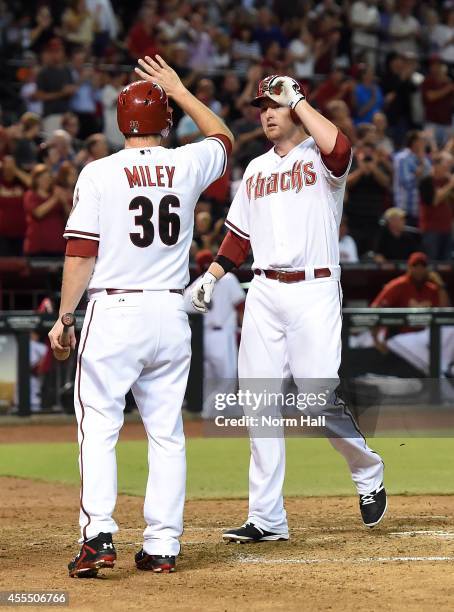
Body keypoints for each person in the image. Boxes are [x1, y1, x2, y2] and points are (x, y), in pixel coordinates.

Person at [48, 55, 233, 576]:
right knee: (167, 432)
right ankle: (163, 545)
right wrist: (179, 88)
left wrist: (65, 315)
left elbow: (81, 251)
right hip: (171, 310)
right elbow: (223, 137)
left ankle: (99, 535)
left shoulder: (100, 172)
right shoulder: (185, 163)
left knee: (100, 426)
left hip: (116, 308)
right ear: (166, 120)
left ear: (118, 121)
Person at [191, 74, 386, 544]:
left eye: (274, 105)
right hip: (264, 291)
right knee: (260, 404)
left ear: (295, 108)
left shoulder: (319, 159)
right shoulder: (255, 169)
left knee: (316, 399)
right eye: (263, 106)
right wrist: (211, 277)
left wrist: (297, 100)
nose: (267, 113)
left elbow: (341, 149)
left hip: (314, 288)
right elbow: (238, 236)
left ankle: (368, 471)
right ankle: (267, 517)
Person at [184, 250, 245, 418]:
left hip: (202, 338)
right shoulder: (227, 279)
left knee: (209, 379)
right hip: (222, 335)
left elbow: (183, 313)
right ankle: (212, 411)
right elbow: (240, 307)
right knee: (229, 377)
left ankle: (212, 412)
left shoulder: (194, 286)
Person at [371, 251, 452, 374]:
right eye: (415, 266)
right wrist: (376, 340)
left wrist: (440, 286)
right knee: (435, 368)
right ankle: (444, 370)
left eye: (422, 266)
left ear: (427, 269)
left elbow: (444, 312)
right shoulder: (398, 285)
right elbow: (375, 309)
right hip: (402, 338)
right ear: (409, 267)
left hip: (425, 337)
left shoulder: (432, 288)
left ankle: (445, 368)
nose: (419, 270)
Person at [23, 164, 70, 257]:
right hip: (36, 246)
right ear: (36, 179)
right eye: (43, 178)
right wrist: (55, 198)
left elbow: (70, 217)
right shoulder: (30, 195)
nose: (46, 181)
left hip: (57, 245)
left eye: (48, 178)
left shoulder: (57, 194)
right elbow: (38, 213)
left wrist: (64, 203)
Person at [418, 153, 454, 261]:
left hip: (447, 229)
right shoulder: (426, 181)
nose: (448, 168)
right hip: (431, 230)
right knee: (432, 262)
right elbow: (434, 201)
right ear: (436, 165)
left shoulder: (448, 181)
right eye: (446, 164)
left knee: (447, 264)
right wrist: (451, 185)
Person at [393, 130, 431, 227]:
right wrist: (419, 170)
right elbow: (407, 183)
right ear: (414, 142)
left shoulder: (424, 159)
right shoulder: (402, 158)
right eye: (422, 140)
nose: (425, 143)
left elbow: (430, 179)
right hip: (405, 209)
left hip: (419, 209)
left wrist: (422, 161)